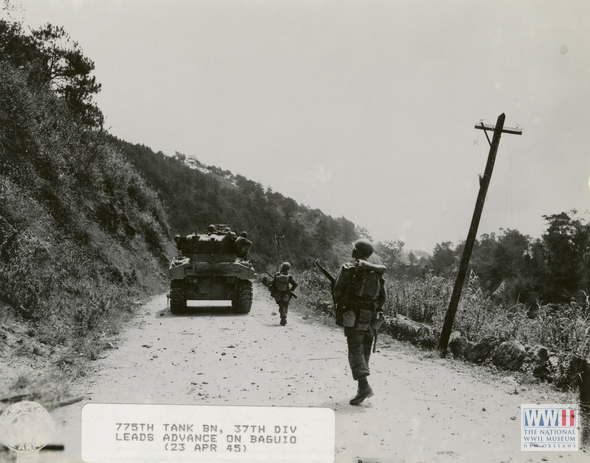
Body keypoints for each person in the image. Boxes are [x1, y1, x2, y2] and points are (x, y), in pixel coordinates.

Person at [333, 239, 386, 405]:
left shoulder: (348, 268)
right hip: (370, 317)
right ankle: (360, 389)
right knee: (365, 348)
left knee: (355, 349)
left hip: (353, 315)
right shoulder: (376, 272)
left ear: (355, 252)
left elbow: (338, 291)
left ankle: (364, 386)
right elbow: (383, 298)